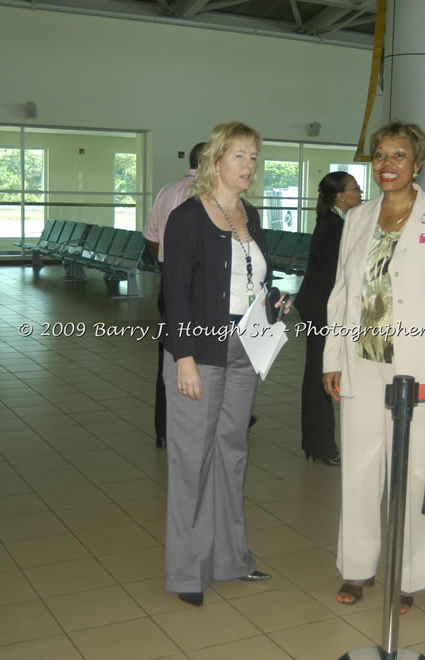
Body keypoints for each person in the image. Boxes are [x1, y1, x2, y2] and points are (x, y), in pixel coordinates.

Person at [323, 121, 425, 614]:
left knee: (415, 474)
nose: (388, 164)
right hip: (362, 362)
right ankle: (357, 568)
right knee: (360, 471)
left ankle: (408, 574)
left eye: (399, 155)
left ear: (417, 162)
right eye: (380, 155)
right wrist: (331, 356)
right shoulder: (357, 217)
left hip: (421, 368)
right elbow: (341, 294)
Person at [160, 121, 275, 606]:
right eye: (239, 156)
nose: (248, 166)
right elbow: (176, 294)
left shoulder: (248, 214)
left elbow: (251, 280)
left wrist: (272, 305)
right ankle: (188, 572)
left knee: (232, 453)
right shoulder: (188, 216)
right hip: (200, 351)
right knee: (192, 460)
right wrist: (183, 356)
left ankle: (230, 559)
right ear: (215, 162)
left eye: (253, 157)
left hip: (245, 350)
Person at [295, 172, 361, 466]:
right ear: (341, 197)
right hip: (323, 310)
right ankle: (322, 445)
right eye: (355, 189)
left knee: (316, 373)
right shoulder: (336, 228)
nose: (360, 193)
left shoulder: (332, 223)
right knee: (323, 374)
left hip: (316, 306)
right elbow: (340, 278)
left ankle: (316, 443)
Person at [144, 141, 205, 449]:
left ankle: (164, 430)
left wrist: (167, 261)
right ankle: (193, 428)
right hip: (197, 287)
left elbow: (151, 236)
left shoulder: (167, 190)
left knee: (169, 354)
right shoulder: (205, 194)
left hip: (169, 281)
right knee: (198, 356)